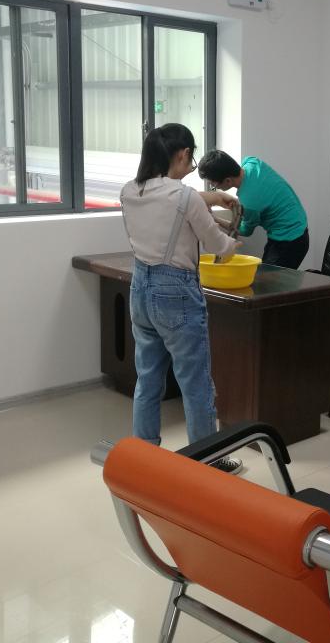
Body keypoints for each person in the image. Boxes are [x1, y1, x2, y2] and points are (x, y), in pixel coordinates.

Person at [120, 123, 242, 474]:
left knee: (148, 379)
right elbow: (217, 244)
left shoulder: (130, 191)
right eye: (191, 158)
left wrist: (211, 199)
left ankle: (144, 455)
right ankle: (209, 461)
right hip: (176, 293)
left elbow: (170, 197)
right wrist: (231, 244)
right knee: (196, 383)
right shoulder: (184, 197)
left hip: (140, 287)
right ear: (183, 154)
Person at [197, 150, 309, 269]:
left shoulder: (250, 203)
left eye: (213, 185)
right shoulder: (251, 162)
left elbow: (244, 231)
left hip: (291, 240)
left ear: (228, 180)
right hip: (298, 222)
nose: (213, 187)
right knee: (264, 272)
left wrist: (214, 219)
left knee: (269, 279)